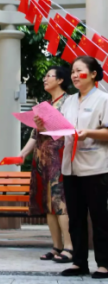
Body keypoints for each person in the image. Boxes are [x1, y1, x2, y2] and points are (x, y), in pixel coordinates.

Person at [53, 56, 107, 279]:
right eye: (72, 71)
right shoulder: (69, 101)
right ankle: (79, 262)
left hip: (95, 167)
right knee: (74, 217)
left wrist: (88, 133)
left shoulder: (103, 99)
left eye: (79, 71)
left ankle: (103, 264)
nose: (74, 75)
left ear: (94, 74)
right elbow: (61, 128)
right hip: (70, 167)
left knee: (99, 217)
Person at [18, 66, 73, 262]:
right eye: (45, 76)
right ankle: (56, 246)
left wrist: (47, 126)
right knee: (47, 204)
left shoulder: (69, 102)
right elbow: (35, 133)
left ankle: (69, 246)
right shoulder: (46, 104)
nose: (44, 79)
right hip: (42, 159)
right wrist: (23, 153)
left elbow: (70, 129)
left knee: (59, 202)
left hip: (59, 157)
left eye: (49, 76)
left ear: (60, 80)